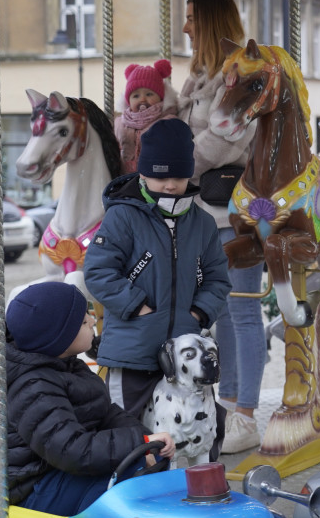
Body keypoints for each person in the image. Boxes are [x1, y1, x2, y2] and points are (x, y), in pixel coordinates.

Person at [83, 118, 232, 426]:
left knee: (197, 424)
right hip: (131, 352)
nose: (169, 184)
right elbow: (98, 271)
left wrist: (199, 314)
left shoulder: (202, 223)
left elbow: (218, 278)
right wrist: (137, 306)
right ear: (143, 171)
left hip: (184, 354)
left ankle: (192, 474)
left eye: (178, 176)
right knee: (126, 427)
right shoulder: (122, 216)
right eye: (158, 176)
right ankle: (129, 476)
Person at [177, 0, 265, 454]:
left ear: (210, 21)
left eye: (192, 18)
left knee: (242, 311)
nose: (185, 26)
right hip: (197, 211)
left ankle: (245, 414)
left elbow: (227, 135)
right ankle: (223, 406)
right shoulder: (198, 76)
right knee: (215, 315)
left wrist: (178, 166)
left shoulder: (240, 73)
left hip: (232, 211)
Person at [6, 281, 176, 516]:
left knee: (151, 462)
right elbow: (72, 450)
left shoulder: (67, 367)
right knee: (128, 473)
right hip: (36, 488)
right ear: (59, 337)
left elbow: (105, 413)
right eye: (84, 321)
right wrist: (137, 442)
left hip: (61, 472)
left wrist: (146, 441)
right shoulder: (34, 387)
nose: (93, 322)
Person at [114, 59, 177, 174]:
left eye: (149, 94)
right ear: (128, 101)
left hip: (155, 179)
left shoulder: (168, 122)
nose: (142, 99)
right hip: (125, 179)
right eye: (136, 96)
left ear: (161, 97)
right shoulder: (120, 123)